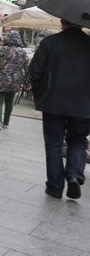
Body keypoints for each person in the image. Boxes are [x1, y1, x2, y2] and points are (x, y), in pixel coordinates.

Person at [29, 20, 90, 199]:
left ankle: (55, 187)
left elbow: (34, 72)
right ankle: (74, 175)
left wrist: (40, 95)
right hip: (84, 103)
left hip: (53, 101)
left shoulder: (50, 42)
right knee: (78, 140)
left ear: (62, 21)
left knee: (54, 144)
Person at [0, 30, 28, 131]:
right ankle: (6, 123)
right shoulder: (23, 53)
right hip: (14, 81)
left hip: (0, 79)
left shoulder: (0, 49)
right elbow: (26, 68)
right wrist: (27, 82)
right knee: (9, 101)